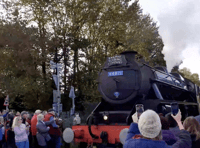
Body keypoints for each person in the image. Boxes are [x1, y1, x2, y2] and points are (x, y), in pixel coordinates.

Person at [124, 109, 192, 148]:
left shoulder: (128, 145)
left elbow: (129, 136)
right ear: (159, 128)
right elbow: (185, 141)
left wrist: (136, 123)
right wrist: (179, 122)